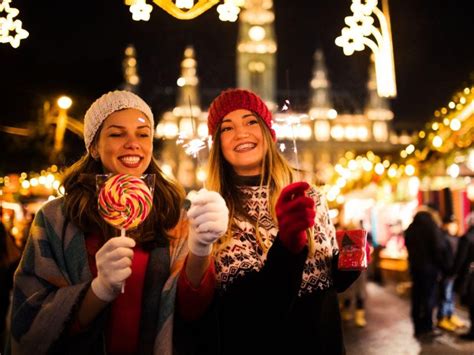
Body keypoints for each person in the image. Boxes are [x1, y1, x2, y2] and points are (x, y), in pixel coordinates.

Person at [6, 90, 228, 354]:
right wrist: (98, 291)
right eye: (116, 133)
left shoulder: (176, 216)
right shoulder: (55, 219)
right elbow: (28, 322)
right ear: (94, 147)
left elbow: (192, 311)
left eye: (143, 134)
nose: (133, 143)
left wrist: (201, 248)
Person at [192, 88, 360, 354]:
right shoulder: (216, 211)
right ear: (217, 144)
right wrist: (288, 247)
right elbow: (254, 313)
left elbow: (324, 284)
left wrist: (347, 264)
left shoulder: (309, 194)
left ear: (269, 133)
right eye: (227, 128)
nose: (241, 133)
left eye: (251, 122)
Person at [404, 207, 450, 340]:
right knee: (429, 298)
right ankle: (427, 327)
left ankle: (418, 328)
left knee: (417, 298)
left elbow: (407, 246)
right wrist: (442, 266)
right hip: (430, 269)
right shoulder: (431, 227)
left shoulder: (411, 228)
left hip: (415, 268)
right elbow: (438, 248)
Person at [436, 214, 466, 331]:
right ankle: (442, 318)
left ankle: (450, 315)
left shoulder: (457, 238)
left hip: (454, 272)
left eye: (454, 225)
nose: (453, 227)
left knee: (451, 295)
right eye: (450, 225)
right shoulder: (442, 238)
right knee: (445, 295)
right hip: (445, 273)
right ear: (445, 225)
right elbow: (441, 257)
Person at [454, 212, 474, 340]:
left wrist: (453, 272)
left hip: (471, 276)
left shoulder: (467, 237)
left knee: (472, 304)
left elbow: (460, 259)